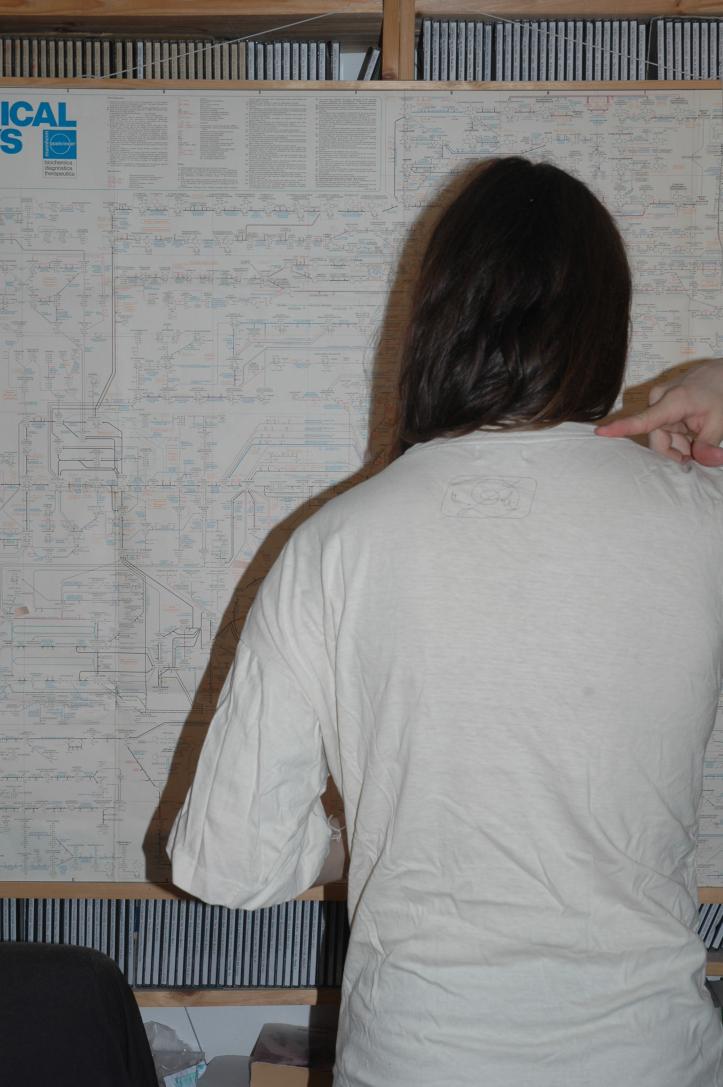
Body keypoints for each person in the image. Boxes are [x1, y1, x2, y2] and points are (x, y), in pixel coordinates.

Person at [168, 157, 723, 1087]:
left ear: (435, 317)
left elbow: (232, 865)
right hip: (651, 1055)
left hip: (418, 1055)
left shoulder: (340, 539)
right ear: (606, 323)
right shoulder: (701, 519)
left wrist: (372, 820)